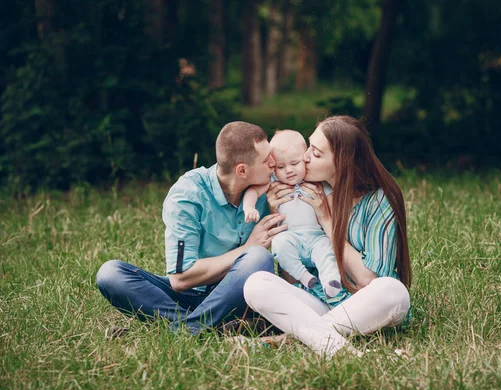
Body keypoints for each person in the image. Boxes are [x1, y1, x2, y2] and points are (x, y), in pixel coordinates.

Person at [96, 121, 288, 335]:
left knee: (259, 259)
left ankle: (184, 329)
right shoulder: (188, 195)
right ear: (242, 170)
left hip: (236, 293)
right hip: (188, 294)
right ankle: (206, 326)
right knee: (110, 274)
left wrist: (274, 209)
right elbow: (180, 279)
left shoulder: (269, 187)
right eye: (266, 160)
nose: (274, 163)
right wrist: (247, 248)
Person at [244, 116, 412, 358]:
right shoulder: (304, 193)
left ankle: (297, 337)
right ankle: (336, 347)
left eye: (316, 153)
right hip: (322, 300)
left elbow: (368, 279)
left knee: (393, 291)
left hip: (369, 304)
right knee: (256, 284)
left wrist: (327, 221)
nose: (305, 157)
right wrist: (280, 215)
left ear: (341, 163)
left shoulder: (379, 200)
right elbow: (293, 280)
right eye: (309, 147)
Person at [242, 130, 342, 299]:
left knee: (325, 250)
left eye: (295, 163)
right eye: (281, 166)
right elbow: (253, 190)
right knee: (279, 245)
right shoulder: (274, 182)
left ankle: (330, 282)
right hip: (290, 236)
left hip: (316, 236)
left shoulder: (317, 182)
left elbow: (333, 206)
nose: (288, 170)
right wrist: (249, 207)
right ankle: (304, 276)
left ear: (306, 158)